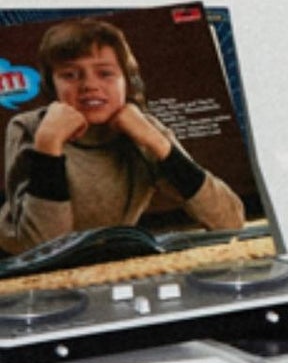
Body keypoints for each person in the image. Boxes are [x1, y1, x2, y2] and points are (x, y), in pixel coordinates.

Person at [0, 19, 246, 250]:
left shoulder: (144, 129)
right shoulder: (30, 127)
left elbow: (230, 221)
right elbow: (42, 248)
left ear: (127, 82)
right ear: (52, 85)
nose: (89, 85)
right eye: (70, 75)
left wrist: (158, 143)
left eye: (105, 73)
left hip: (107, 254)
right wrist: (48, 145)